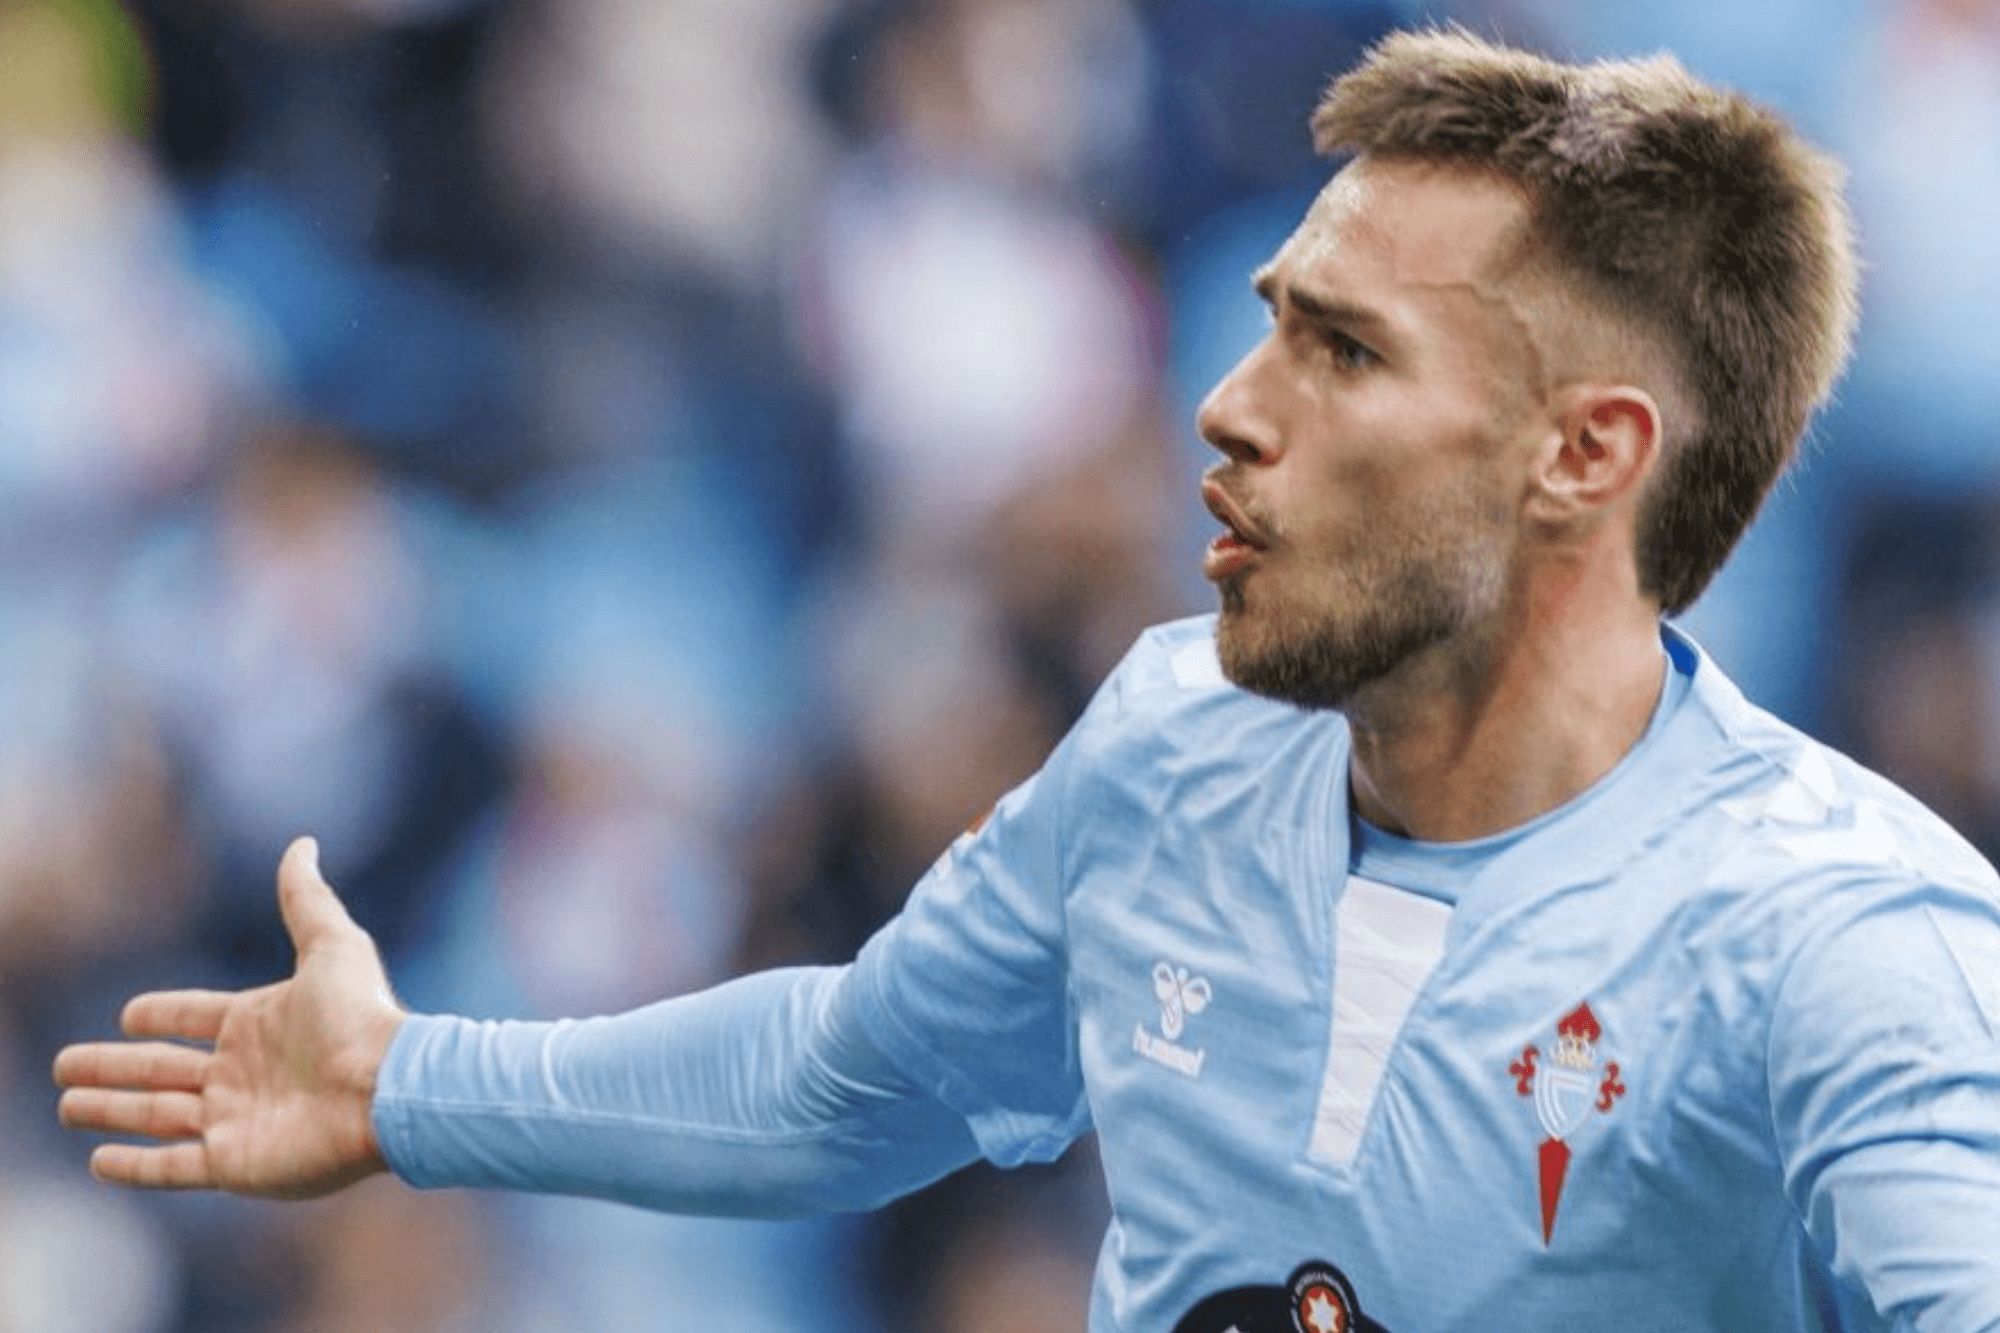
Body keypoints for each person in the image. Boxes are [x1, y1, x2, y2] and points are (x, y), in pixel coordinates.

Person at [54, 28, 2000, 1332]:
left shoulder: (1842, 938)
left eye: (1342, 354)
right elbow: (849, 1085)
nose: (1226, 412)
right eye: (1261, 334)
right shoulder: (1171, 740)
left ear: (1585, 453)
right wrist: (416, 1083)